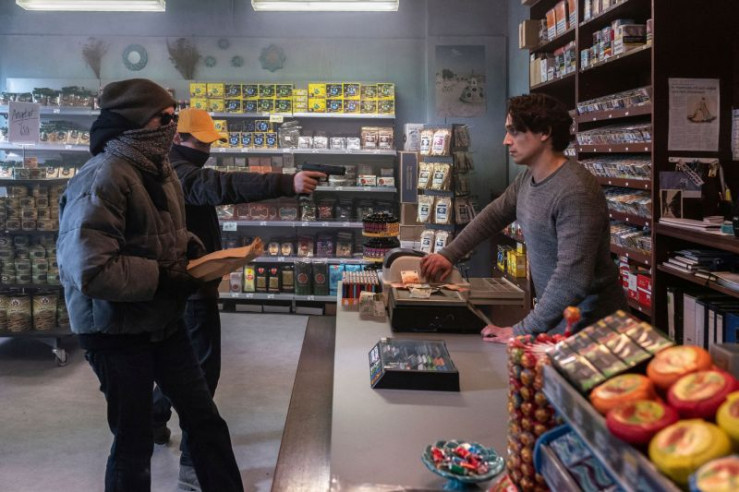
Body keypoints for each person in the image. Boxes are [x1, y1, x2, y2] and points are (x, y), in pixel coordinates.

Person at [57, 79, 243, 492]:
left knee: (205, 421)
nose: (172, 127)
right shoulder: (103, 177)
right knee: (134, 442)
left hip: (162, 319)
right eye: (164, 118)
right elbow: (90, 270)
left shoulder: (159, 169)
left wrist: (189, 247)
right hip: (114, 331)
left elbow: (159, 232)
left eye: (174, 118)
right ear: (137, 120)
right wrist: (165, 276)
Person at [150, 108, 324, 487]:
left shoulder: (169, 166)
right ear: (177, 138)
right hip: (191, 286)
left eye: (211, 143)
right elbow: (220, 185)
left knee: (178, 364)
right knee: (201, 374)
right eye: (201, 143)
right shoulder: (176, 172)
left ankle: (153, 420)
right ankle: (192, 464)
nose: (207, 150)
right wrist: (287, 182)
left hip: (183, 284)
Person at [420, 93, 626, 343]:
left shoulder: (576, 191)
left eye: (514, 132)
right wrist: (448, 254)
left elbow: (572, 279)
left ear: (544, 132)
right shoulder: (528, 179)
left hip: (593, 331)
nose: (506, 141)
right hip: (561, 321)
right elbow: (493, 215)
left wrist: (520, 330)